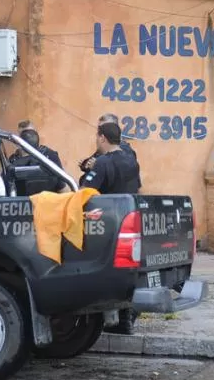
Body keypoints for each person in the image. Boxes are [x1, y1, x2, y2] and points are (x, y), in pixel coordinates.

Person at [79, 121, 141, 335]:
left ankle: (107, 316)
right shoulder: (131, 160)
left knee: (105, 270)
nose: (97, 140)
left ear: (102, 138)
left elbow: (85, 191)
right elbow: (137, 187)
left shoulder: (103, 162)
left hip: (108, 220)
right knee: (126, 271)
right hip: (130, 218)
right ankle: (125, 317)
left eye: (97, 136)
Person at [79, 113, 143, 190]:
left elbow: (84, 191)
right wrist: (87, 166)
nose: (99, 132)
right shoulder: (105, 152)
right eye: (99, 129)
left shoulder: (126, 153)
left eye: (103, 128)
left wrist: (97, 168)